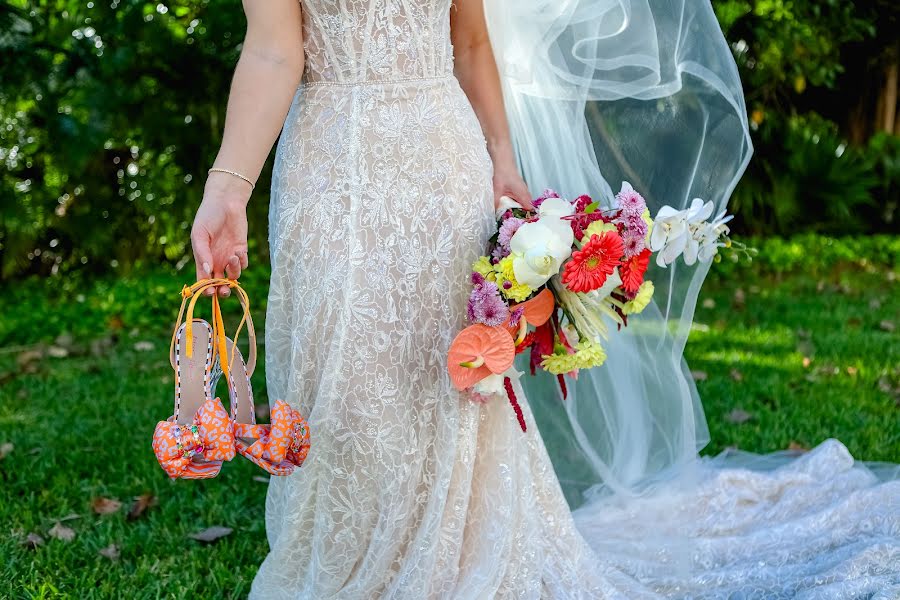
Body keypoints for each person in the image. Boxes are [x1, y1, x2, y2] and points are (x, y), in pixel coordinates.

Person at [190, 0, 900, 597]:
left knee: (448, 372)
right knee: (339, 371)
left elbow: (468, 39)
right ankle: (347, 559)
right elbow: (276, 51)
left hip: (440, 158)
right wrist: (229, 187)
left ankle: (457, 559)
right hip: (330, 165)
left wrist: (501, 156)